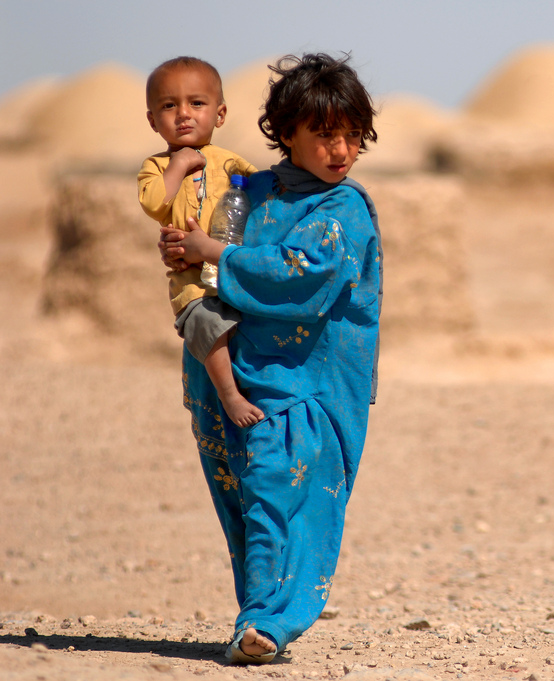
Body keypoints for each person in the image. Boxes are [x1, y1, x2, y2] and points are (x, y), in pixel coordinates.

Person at [159, 52, 381, 664]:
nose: (340, 150)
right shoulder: (246, 191)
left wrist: (212, 256)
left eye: (351, 135)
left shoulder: (343, 210)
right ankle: (257, 615)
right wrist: (182, 242)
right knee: (247, 503)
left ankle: (266, 623)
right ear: (286, 135)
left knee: (280, 495)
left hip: (303, 387)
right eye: (324, 134)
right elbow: (195, 239)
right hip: (224, 378)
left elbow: (303, 279)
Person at [139, 56, 264, 428]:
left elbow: (264, 199)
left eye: (196, 103)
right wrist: (178, 165)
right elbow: (153, 202)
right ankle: (229, 396)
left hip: (231, 268)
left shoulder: (232, 163)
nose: (183, 114)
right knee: (206, 323)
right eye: (168, 105)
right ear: (152, 120)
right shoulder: (157, 166)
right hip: (191, 281)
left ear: (220, 114)